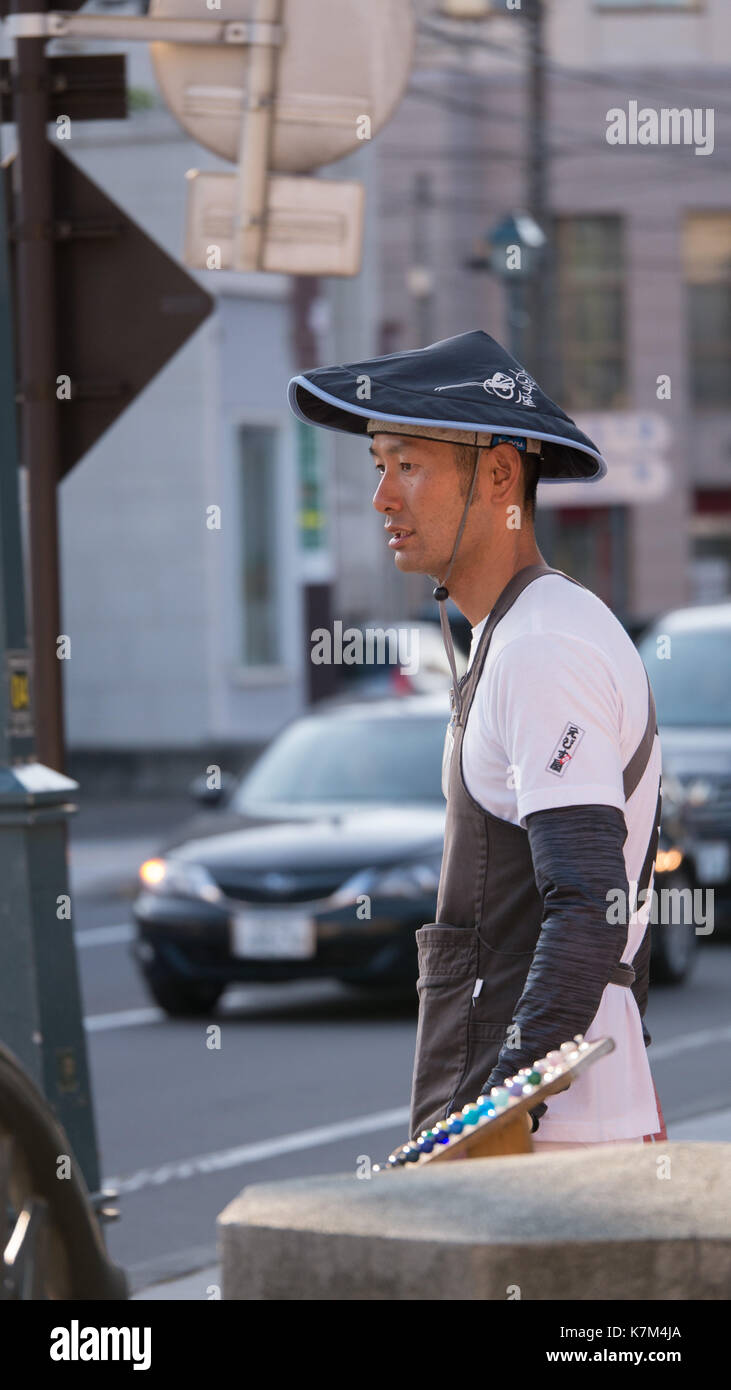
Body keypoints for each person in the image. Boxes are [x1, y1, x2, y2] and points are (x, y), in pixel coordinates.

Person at [288, 330, 667, 1149]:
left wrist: (492, 1117)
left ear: (498, 475)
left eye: (409, 464)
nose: (384, 495)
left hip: (553, 1141)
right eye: (377, 465)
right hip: (562, 1124)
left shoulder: (541, 644)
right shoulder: (528, 626)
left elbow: (587, 902)